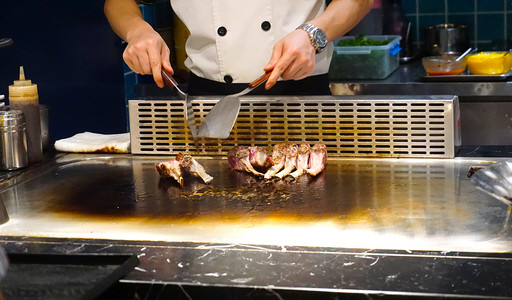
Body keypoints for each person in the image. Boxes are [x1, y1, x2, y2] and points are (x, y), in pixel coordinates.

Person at [104, 0, 373, 95]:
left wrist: (313, 35)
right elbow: (117, 2)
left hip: (301, 95)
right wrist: (138, 32)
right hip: (208, 105)